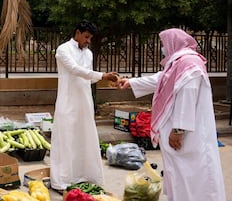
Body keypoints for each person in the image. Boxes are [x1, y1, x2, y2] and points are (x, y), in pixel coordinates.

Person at [118, 28, 226, 201]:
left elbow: (187, 97)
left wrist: (178, 130)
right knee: (180, 175)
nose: (163, 48)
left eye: (163, 44)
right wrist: (130, 82)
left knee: (193, 175)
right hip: (181, 134)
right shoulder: (179, 63)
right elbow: (161, 79)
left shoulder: (189, 65)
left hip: (188, 135)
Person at [50, 20, 118, 192]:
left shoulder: (88, 54)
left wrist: (106, 79)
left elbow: (89, 76)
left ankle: (85, 176)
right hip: (67, 101)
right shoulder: (63, 49)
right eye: (86, 37)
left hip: (85, 102)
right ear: (78, 33)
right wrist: (103, 75)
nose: (88, 41)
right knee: (66, 140)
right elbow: (74, 69)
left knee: (85, 138)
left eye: (90, 38)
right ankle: (62, 181)